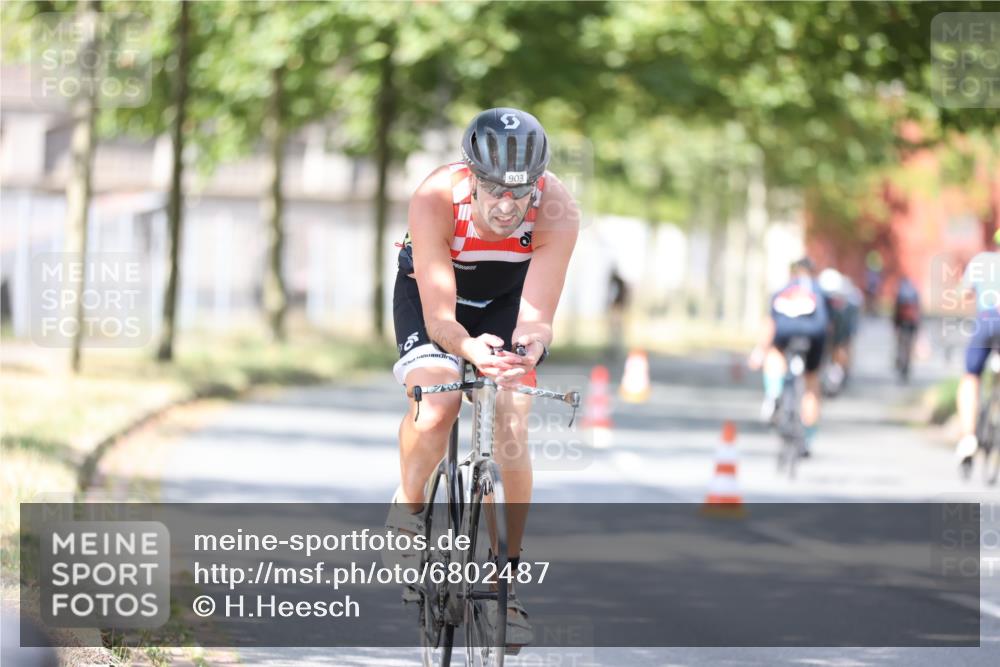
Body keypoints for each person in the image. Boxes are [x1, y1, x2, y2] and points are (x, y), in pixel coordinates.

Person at [387, 108, 579, 646]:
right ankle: (408, 506)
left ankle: (504, 581)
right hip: (436, 301)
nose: (505, 205)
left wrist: (529, 348)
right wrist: (468, 349)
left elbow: (536, 316)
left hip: (504, 302)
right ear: (470, 174)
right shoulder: (435, 196)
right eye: (492, 188)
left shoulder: (558, 208)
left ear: (537, 184)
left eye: (519, 193)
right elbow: (441, 317)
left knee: (513, 420)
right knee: (437, 402)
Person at [749, 257, 829, 455]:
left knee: (775, 354)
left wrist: (760, 352)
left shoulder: (782, 291)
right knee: (811, 386)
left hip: (784, 334)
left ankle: (774, 393)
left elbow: (770, 324)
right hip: (813, 337)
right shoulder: (819, 293)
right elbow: (829, 326)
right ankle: (808, 437)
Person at [955, 230, 1000, 464]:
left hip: (987, 321)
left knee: (971, 377)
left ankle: (968, 438)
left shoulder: (982, 261)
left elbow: (963, 294)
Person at [818, 268, 858, 394]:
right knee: (839, 346)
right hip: (830, 328)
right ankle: (836, 372)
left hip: (838, 326)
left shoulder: (845, 301)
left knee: (840, 346)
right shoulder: (839, 295)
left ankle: (837, 372)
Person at [892, 276, 921, 380]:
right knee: (908, 346)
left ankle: (901, 363)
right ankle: (906, 365)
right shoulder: (915, 293)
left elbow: (896, 310)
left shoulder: (900, 293)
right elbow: (918, 310)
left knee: (901, 345)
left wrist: (895, 324)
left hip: (902, 323)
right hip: (912, 323)